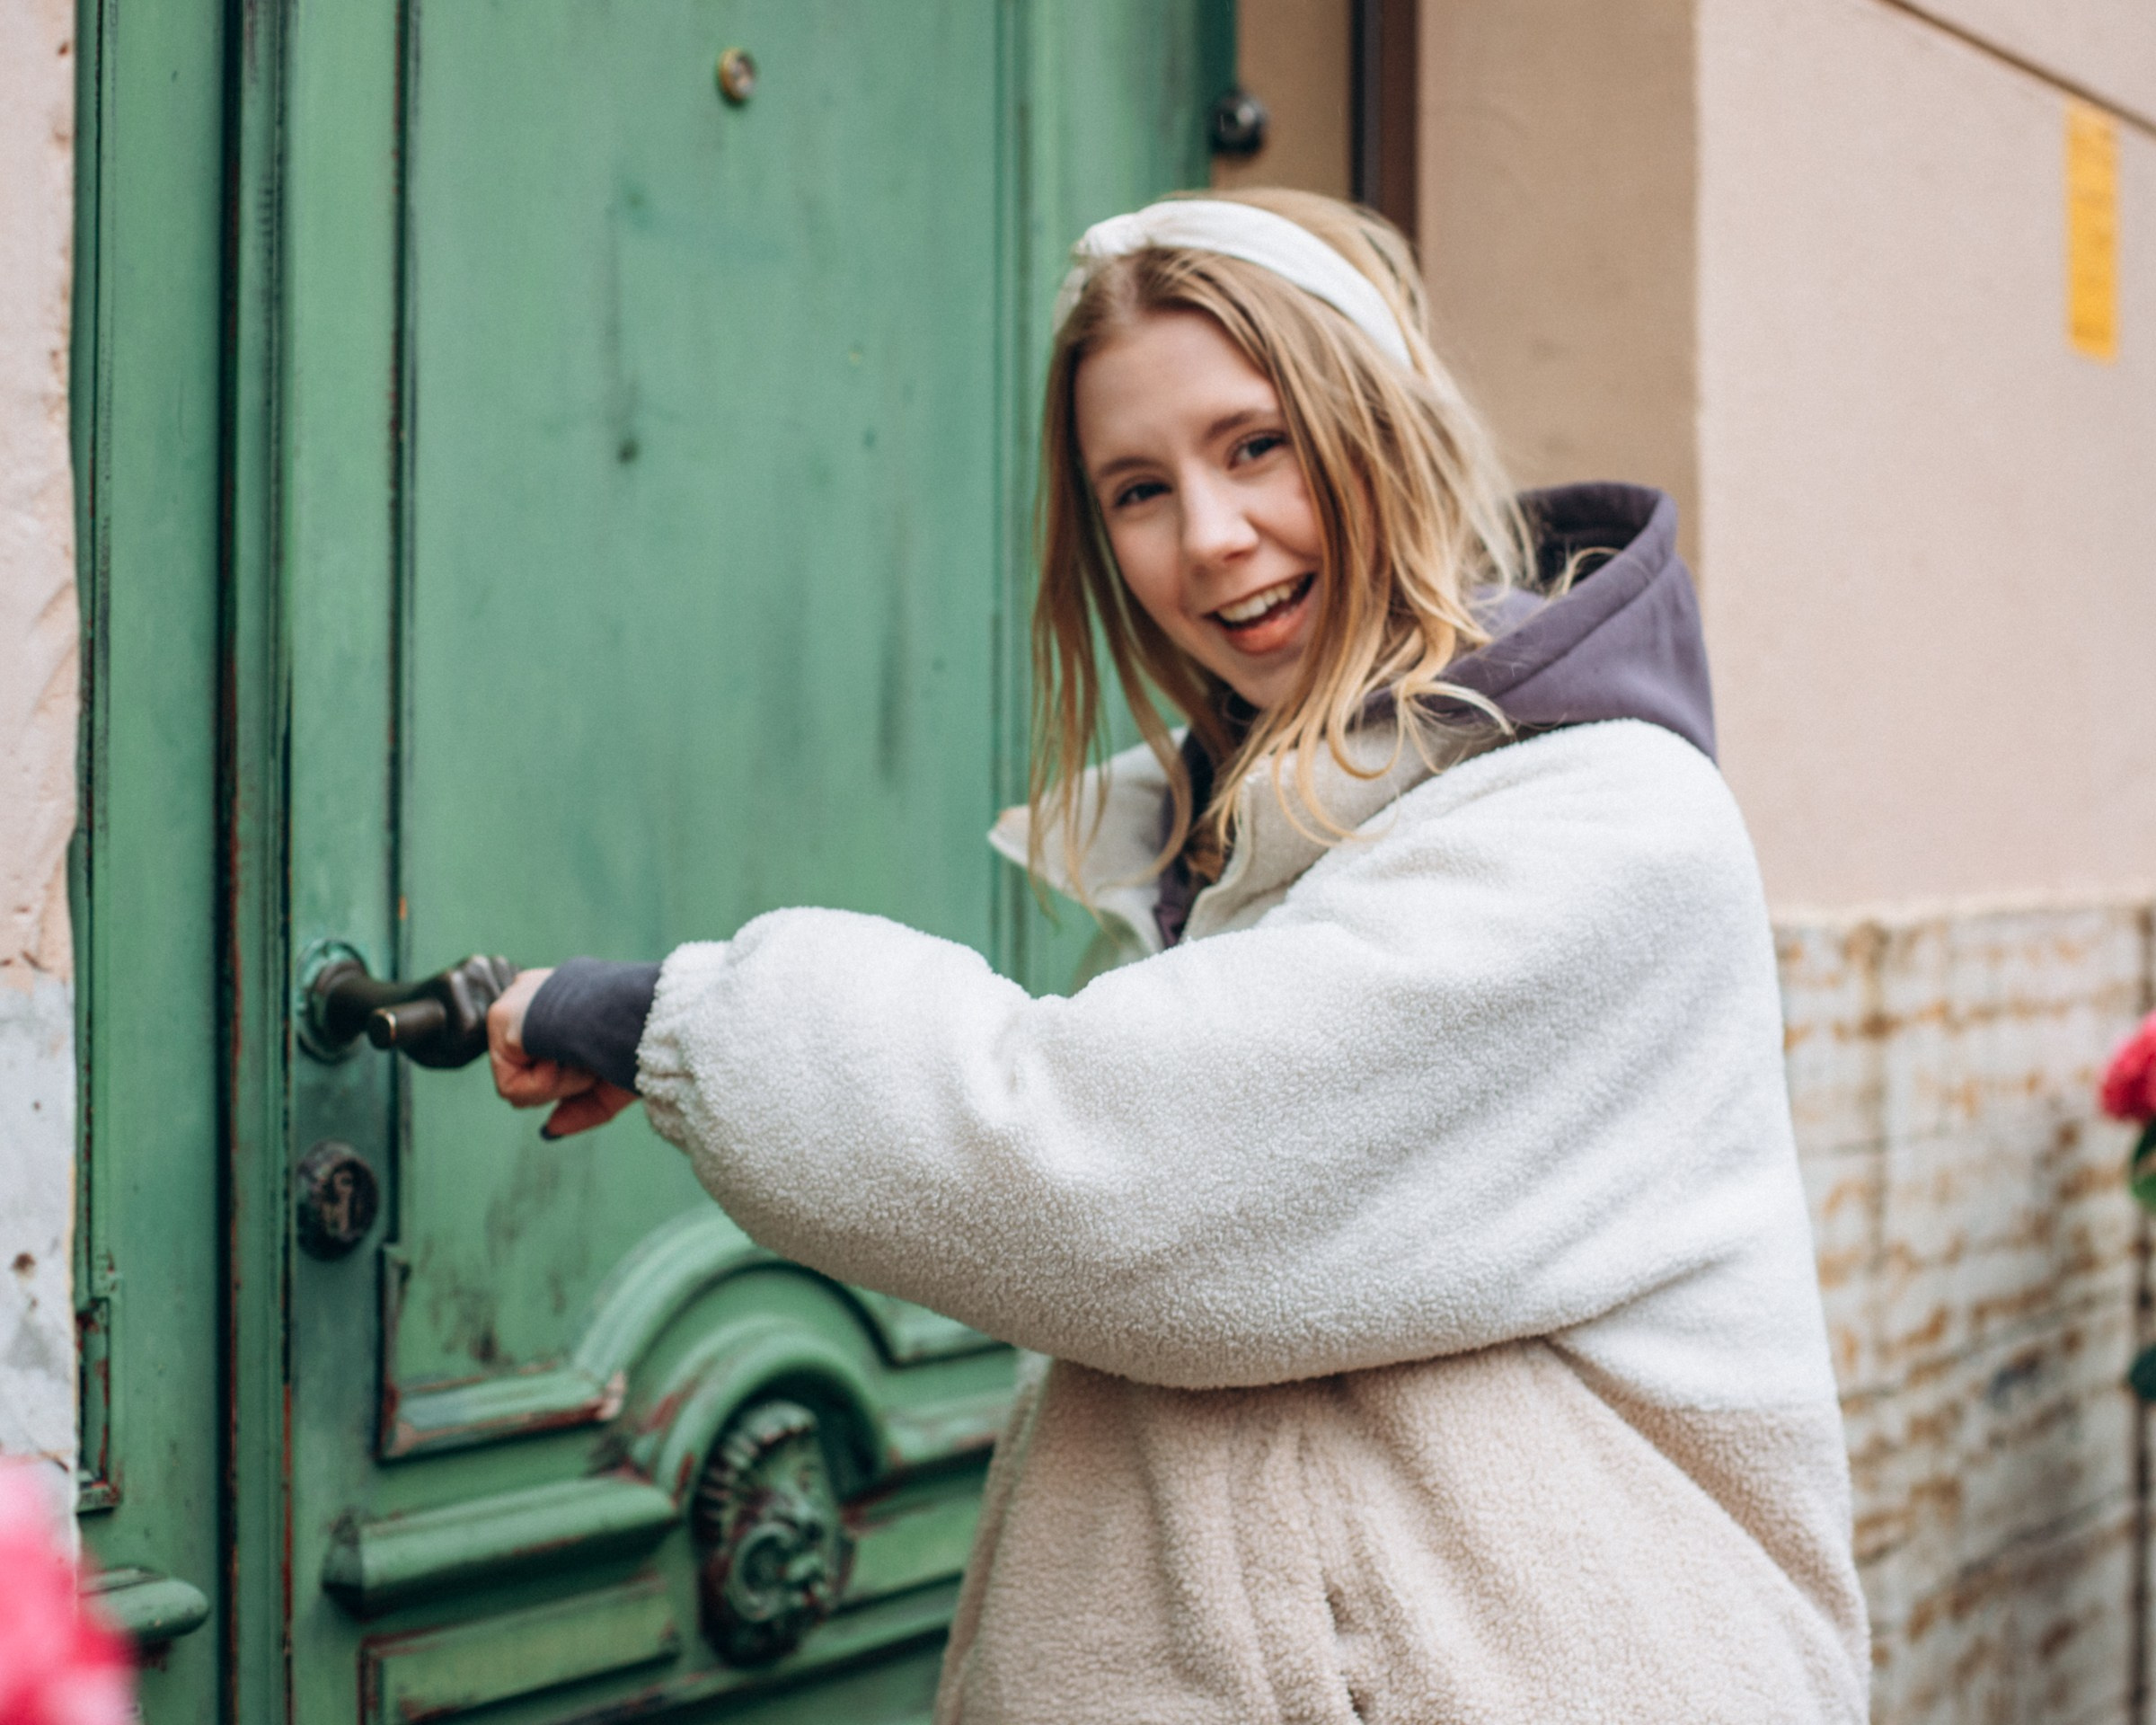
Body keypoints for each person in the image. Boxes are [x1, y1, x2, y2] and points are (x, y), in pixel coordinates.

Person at [485, 189, 1869, 1723]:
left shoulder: (1602, 822)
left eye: (1255, 445)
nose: (1209, 537)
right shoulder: (1244, 843)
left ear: (1385, 426)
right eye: (1138, 489)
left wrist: (679, 1020)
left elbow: (1113, 1171)